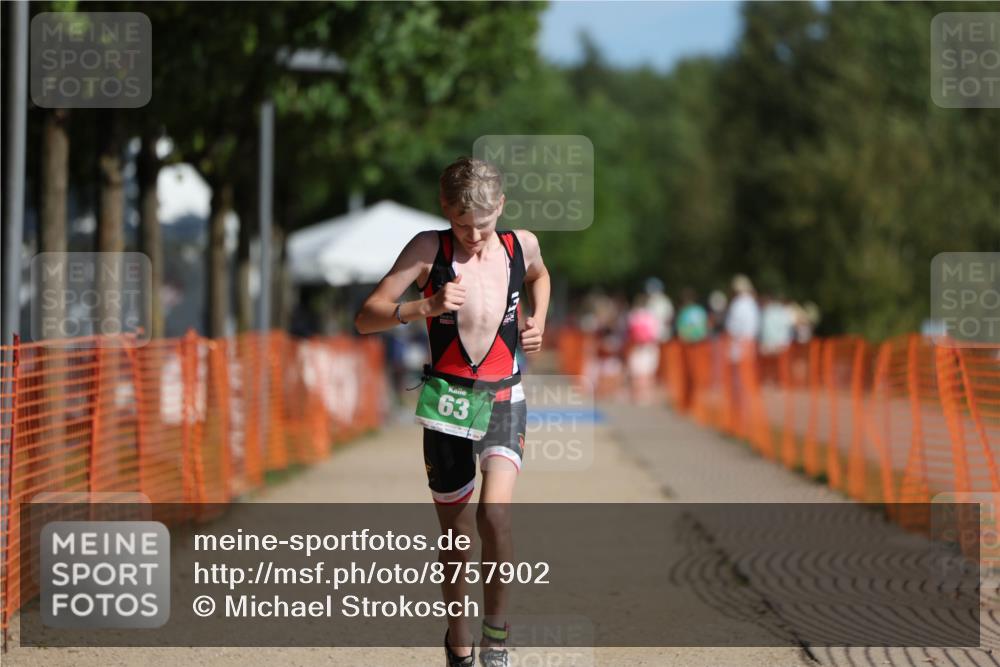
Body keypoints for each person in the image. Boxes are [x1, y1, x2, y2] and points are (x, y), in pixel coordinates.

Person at [354, 157, 550, 667]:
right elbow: (366, 317)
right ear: (445, 209)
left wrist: (540, 319)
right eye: (462, 224)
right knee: (458, 536)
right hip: (448, 398)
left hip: (505, 393)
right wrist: (426, 306)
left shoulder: (518, 244)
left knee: (495, 515)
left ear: (500, 209)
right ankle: (457, 636)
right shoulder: (427, 248)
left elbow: (540, 273)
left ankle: (497, 639)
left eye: (482, 224)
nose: (473, 235)